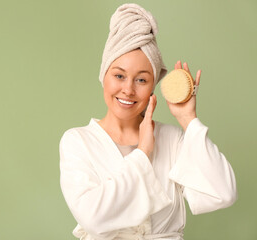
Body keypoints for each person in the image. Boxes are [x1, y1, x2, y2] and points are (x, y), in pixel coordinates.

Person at [59, 3, 237, 240]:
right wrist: (143, 152)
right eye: (119, 76)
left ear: (153, 86)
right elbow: (93, 218)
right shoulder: (78, 141)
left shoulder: (173, 140)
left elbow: (223, 193)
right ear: (104, 75)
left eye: (141, 80)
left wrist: (188, 119)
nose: (128, 90)